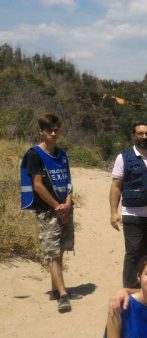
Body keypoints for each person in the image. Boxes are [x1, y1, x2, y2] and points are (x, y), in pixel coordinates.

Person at [20, 113, 75, 313]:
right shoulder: (35, 154)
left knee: (60, 251)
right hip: (48, 211)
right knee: (52, 252)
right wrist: (57, 206)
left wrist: (67, 203)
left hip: (65, 209)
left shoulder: (61, 154)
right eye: (49, 130)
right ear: (41, 132)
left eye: (56, 130)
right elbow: (37, 185)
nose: (53, 134)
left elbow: (69, 181)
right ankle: (63, 294)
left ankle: (55, 288)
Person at [109, 121, 147, 288]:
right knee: (133, 253)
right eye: (140, 133)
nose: (144, 137)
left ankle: (146, 285)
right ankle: (130, 288)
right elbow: (116, 186)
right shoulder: (123, 157)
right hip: (132, 215)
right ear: (133, 136)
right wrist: (113, 212)